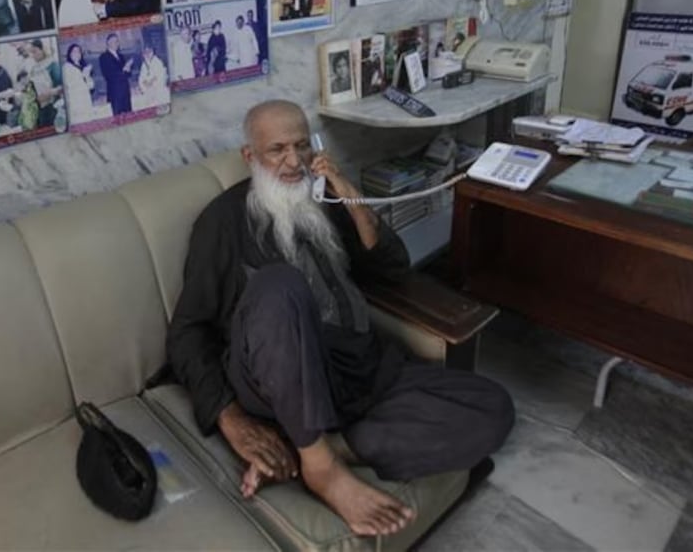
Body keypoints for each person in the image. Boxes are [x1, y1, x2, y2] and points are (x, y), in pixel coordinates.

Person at [167, 100, 515, 537]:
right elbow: (187, 332)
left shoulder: (324, 200)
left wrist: (347, 190)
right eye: (276, 150)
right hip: (277, 379)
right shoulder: (222, 221)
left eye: (301, 147)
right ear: (249, 156)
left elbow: (392, 267)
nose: (294, 162)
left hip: (358, 371)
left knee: (492, 407)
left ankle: (322, 447)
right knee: (280, 284)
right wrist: (230, 418)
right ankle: (322, 469)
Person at [25, 39, 65, 130]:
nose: (32, 55)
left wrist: (50, 93)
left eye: (34, 51)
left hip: (53, 107)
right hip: (39, 110)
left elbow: (62, 87)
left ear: (42, 50)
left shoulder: (53, 65)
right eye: (31, 53)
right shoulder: (34, 69)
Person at [98, 33, 134, 116]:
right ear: (108, 43)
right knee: (118, 119)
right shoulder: (104, 57)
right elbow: (108, 75)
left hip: (125, 91)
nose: (116, 43)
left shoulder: (121, 56)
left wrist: (128, 69)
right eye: (114, 41)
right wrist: (124, 69)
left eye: (117, 41)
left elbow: (128, 74)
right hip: (115, 93)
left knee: (129, 117)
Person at [63, 43, 97, 112]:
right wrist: (82, 75)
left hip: (86, 99)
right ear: (70, 54)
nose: (77, 53)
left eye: (79, 51)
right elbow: (69, 84)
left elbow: (91, 86)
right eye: (74, 51)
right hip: (75, 101)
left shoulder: (84, 66)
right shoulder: (66, 67)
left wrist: (87, 76)